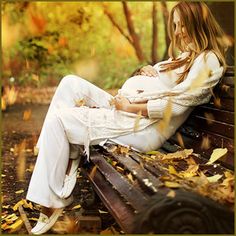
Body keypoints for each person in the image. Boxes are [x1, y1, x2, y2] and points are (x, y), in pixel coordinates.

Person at [27, 2, 228, 234]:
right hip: (128, 112)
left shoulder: (208, 60)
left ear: (198, 22)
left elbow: (177, 103)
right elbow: (160, 82)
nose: (179, 31)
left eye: (183, 24)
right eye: (175, 25)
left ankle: (52, 202)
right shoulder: (187, 55)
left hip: (142, 127)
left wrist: (130, 106)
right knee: (70, 83)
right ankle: (56, 154)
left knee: (59, 121)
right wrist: (144, 70)